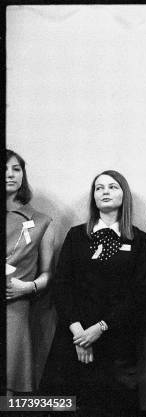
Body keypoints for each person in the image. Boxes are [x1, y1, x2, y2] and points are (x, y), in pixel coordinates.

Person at [40, 170, 146, 415]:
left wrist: (99, 328)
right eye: (99, 188)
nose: (105, 192)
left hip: (116, 341)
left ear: (124, 195)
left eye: (112, 187)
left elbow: (138, 293)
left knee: (113, 407)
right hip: (73, 338)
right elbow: (62, 284)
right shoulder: (76, 235)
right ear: (94, 197)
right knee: (66, 405)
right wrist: (79, 332)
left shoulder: (139, 240)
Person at [5, 149, 54, 396]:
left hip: (15, 306)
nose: (10, 174)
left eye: (16, 169)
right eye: (4, 168)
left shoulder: (42, 220)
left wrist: (28, 286)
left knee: (11, 382)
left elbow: (47, 273)